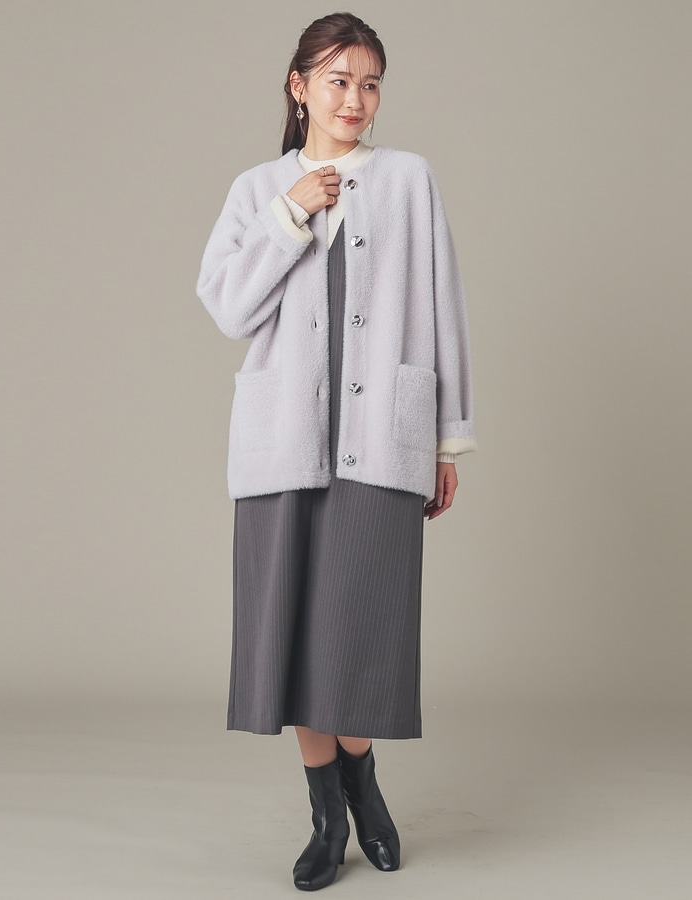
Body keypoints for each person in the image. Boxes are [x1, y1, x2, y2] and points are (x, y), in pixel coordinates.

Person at [197, 12, 476, 892]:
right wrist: (291, 214)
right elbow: (227, 308)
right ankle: (327, 817)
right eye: (338, 80)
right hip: (282, 447)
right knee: (293, 642)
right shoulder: (257, 190)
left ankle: (363, 780)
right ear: (300, 87)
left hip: (379, 442)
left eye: (369, 83)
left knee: (356, 635)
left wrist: (446, 437)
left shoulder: (409, 180)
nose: (355, 99)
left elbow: (442, 307)